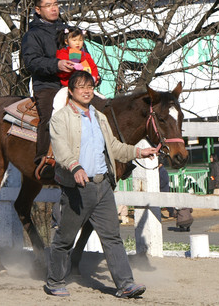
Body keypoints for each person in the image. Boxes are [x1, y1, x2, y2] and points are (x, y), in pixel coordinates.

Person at [44, 71, 157, 299]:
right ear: (71, 91)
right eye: (81, 87)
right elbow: (60, 148)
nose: (87, 91)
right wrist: (75, 166)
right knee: (65, 238)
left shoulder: (99, 117)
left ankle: (125, 284)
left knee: (112, 237)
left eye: (90, 87)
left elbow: (113, 147)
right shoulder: (60, 118)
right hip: (78, 188)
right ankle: (55, 281)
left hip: (103, 185)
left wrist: (139, 152)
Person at [21, 0, 77, 176]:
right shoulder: (33, 35)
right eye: (48, 5)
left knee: (100, 110)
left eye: (56, 4)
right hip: (48, 85)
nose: (54, 8)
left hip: (73, 84)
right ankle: (44, 160)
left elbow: (82, 53)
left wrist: (90, 72)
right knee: (51, 116)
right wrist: (56, 64)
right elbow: (31, 62)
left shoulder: (68, 30)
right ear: (38, 10)